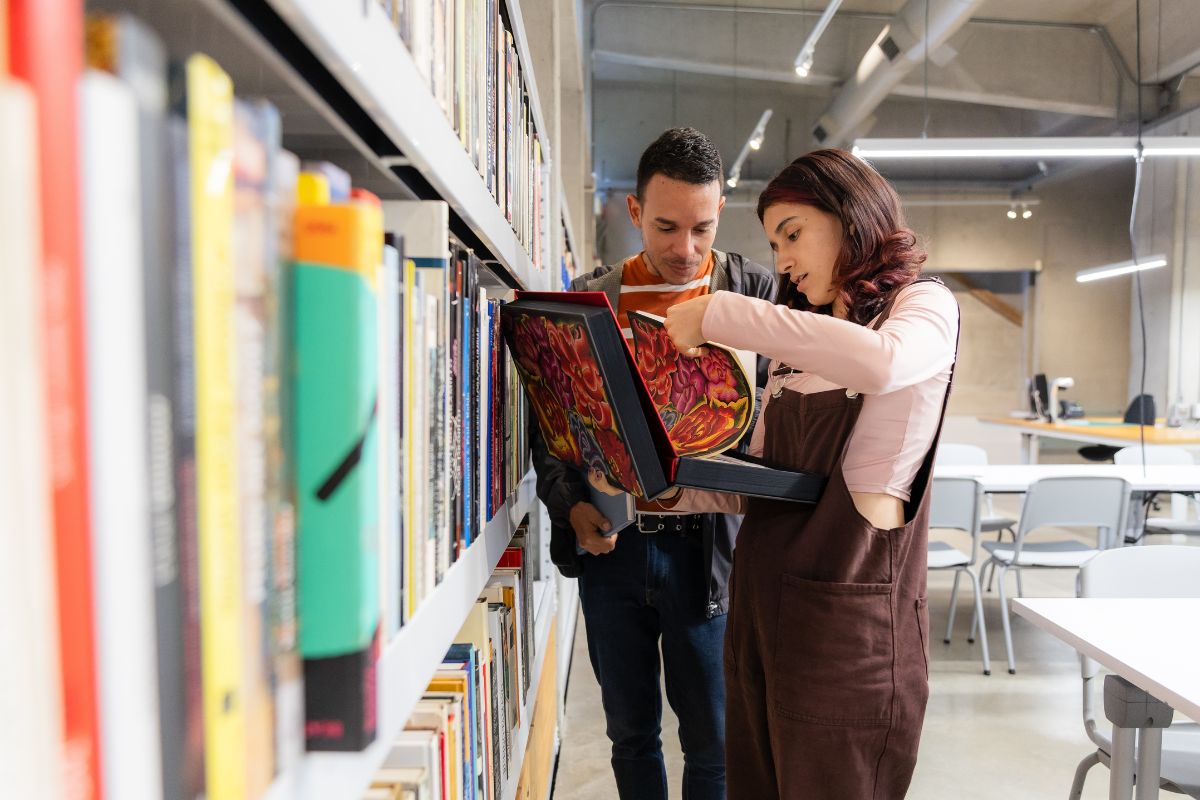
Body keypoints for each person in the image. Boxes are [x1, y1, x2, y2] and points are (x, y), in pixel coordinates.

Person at [659, 149, 960, 799]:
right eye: (773, 244)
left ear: (852, 217)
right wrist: (666, 485)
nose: (783, 260)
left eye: (792, 234)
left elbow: (882, 366)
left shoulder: (922, 309)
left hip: (847, 638)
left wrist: (721, 313)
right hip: (761, 616)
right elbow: (765, 478)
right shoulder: (809, 344)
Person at [530, 127, 775, 800]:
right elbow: (550, 430)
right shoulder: (588, 303)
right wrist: (569, 504)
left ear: (721, 210)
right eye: (666, 227)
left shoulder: (756, 293)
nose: (684, 249)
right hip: (615, 554)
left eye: (701, 227)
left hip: (712, 558)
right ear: (634, 212)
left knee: (715, 743)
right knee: (629, 734)